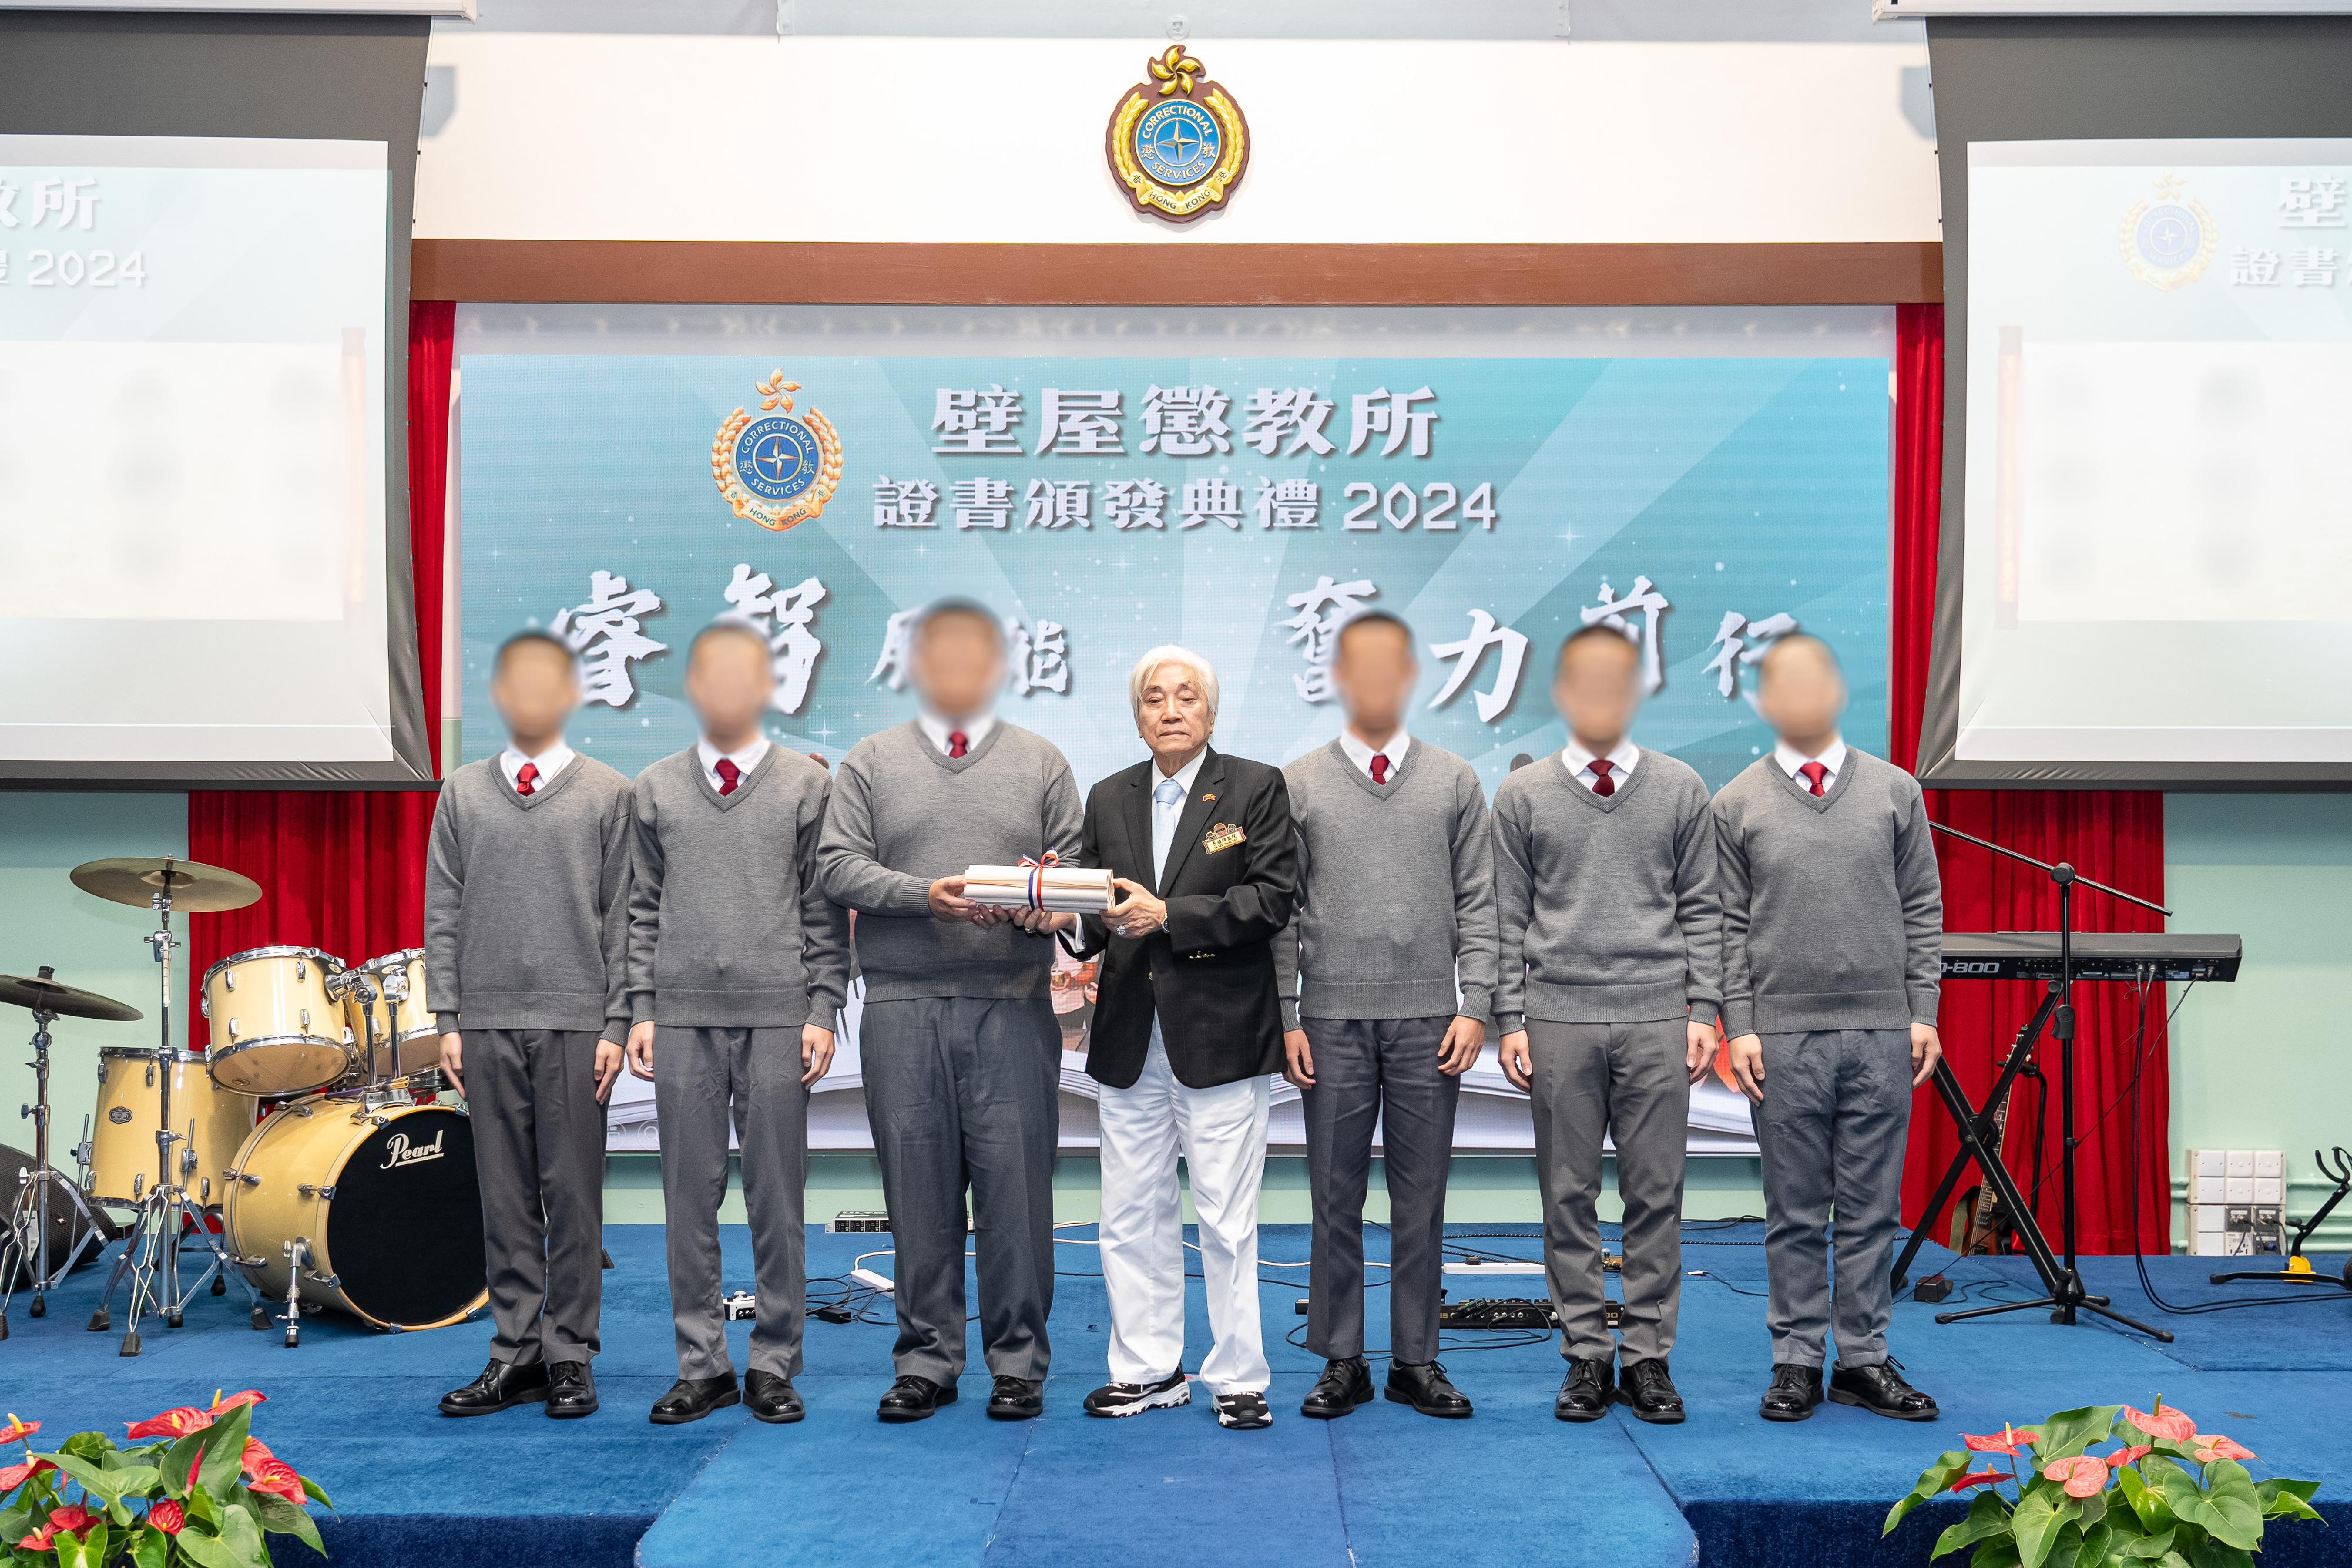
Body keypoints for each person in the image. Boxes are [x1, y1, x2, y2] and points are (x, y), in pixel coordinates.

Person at [817, 601, 1084, 1425]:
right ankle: (927, 1360)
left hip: (1011, 1007)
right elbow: (836, 866)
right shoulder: (870, 762)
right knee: (918, 1194)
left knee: (1016, 1197)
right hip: (901, 1007)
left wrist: (1048, 908)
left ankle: (1018, 1363)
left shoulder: (1041, 762)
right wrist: (923, 898)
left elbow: (1073, 877)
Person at [1063, 647, 1298, 1432]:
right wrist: (1057, 913)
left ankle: (1238, 1376)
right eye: (1154, 699)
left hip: (1223, 1034)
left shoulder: (1255, 787)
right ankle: (1148, 1371)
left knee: (1227, 1220)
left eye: (1185, 696)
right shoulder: (1108, 797)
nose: (1170, 710)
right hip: (1131, 1035)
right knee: (1130, 1215)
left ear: (1210, 711)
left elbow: (1271, 899)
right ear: (1137, 715)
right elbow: (1094, 919)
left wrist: (1171, 916)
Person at [1711, 634, 1944, 1424]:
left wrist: (1923, 1012)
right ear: (1764, 701)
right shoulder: (1735, 802)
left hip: (1883, 1033)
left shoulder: (1894, 791)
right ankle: (1796, 1361)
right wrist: (1738, 1026)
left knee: (1873, 1209)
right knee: (1795, 1210)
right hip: (1781, 1039)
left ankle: (1865, 1360)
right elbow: (1723, 925)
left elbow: (1922, 909)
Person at [1494, 625, 1721, 1426]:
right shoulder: (1521, 797)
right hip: (1557, 1017)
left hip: (1659, 1014)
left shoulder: (1680, 787)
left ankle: (1649, 1358)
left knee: (1657, 1195)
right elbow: (1506, 911)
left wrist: (1705, 1010)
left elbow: (1704, 907)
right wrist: (1511, 1018)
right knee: (1569, 1195)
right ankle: (1587, 1355)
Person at [624, 622, 850, 1426]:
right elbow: (640, 914)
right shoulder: (653, 788)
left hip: (777, 1018)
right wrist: (643, 1011)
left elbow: (825, 913)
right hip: (682, 1020)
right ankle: (703, 1364)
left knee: (776, 1199)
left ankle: (774, 1363)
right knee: (688, 1199)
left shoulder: (804, 786)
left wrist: (822, 1009)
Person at [1277, 611, 1494, 1421]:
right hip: (1328, 1020)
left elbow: (1482, 901)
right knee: (1333, 1198)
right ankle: (1341, 1359)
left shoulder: (1455, 781)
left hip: (1428, 1022)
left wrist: (1478, 1005)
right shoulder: (1298, 783)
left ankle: (1415, 1360)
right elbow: (1283, 913)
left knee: (1421, 1196)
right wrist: (1287, 1013)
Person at [427, 631, 633, 1421]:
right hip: (483, 1022)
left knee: (573, 1196)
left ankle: (570, 1352)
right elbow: (442, 908)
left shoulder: (608, 793)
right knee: (504, 1197)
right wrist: (448, 1013)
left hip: (578, 1023)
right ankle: (513, 1351)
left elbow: (625, 918)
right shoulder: (463, 793)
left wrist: (618, 1022)